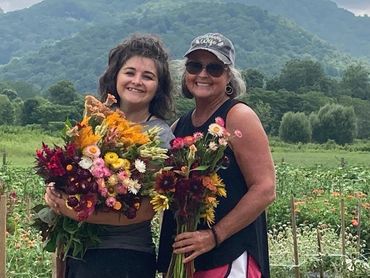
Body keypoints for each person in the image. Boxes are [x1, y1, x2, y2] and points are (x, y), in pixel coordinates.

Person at [44, 34, 174, 278]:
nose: (137, 81)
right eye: (130, 72)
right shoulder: (94, 123)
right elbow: (69, 175)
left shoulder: (159, 136)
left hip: (125, 257)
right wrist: (54, 191)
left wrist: (74, 210)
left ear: (158, 87)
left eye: (148, 76)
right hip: (78, 252)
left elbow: (146, 211)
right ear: (115, 76)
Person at [157, 33, 276, 277]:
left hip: (228, 255)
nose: (202, 74)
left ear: (229, 76)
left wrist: (213, 236)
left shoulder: (238, 116)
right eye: (194, 66)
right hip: (189, 260)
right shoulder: (179, 126)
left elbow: (265, 188)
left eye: (214, 68)